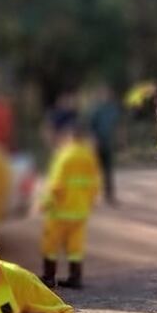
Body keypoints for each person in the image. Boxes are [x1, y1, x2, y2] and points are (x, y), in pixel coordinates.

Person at [40, 115, 102, 289]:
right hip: (80, 210)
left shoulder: (64, 156)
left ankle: (49, 277)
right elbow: (95, 183)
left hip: (60, 210)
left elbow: (56, 184)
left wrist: (45, 203)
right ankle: (75, 278)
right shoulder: (88, 156)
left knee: (51, 244)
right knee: (75, 246)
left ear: (68, 136)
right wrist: (90, 202)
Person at [88, 84, 121, 204]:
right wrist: (93, 142)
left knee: (108, 171)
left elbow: (117, 126)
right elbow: (91, 127)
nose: (106, 96)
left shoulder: (113, 109)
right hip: (98, 142)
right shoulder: (96, 109)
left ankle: (109, 196)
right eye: (103, 93)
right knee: (94, 170)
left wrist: (119, 140)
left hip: (108, 143)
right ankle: (90, 196)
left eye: (107, 93)